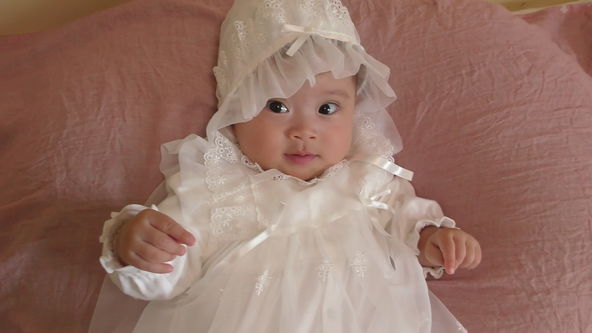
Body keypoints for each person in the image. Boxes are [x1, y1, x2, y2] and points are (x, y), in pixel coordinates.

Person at [92, 0, 481, 331]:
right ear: (235, 112)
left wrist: (434, 241)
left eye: (328, 109)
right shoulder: (213, 187)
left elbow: (409, 224)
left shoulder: (368, 180)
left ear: (354, 112)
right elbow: (171, 272)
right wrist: (141, 250)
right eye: (276, 106)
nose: (304, 130)